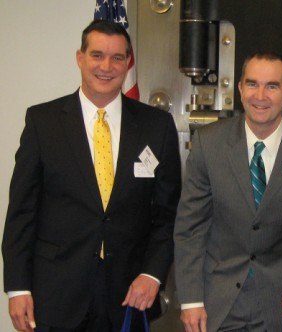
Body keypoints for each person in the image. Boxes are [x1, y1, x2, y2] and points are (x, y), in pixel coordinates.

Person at [1, 20, 181, 332]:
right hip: (56, 294)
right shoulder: (43, 122)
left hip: (129, 294)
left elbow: (168, 216)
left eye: (117, 58)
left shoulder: (157, 127)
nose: (106, 67)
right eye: (97, 55)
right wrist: (17, 288)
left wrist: (152, 274)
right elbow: (21, 213)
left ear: (128, 63)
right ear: (80, 58)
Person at [174, 51, 282, 332]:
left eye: (272, 86)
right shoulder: (208, 144)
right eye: (252, 84)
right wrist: (190, 301)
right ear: (239, 89)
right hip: (217, 302)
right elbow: (190, 228)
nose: (260, 95)